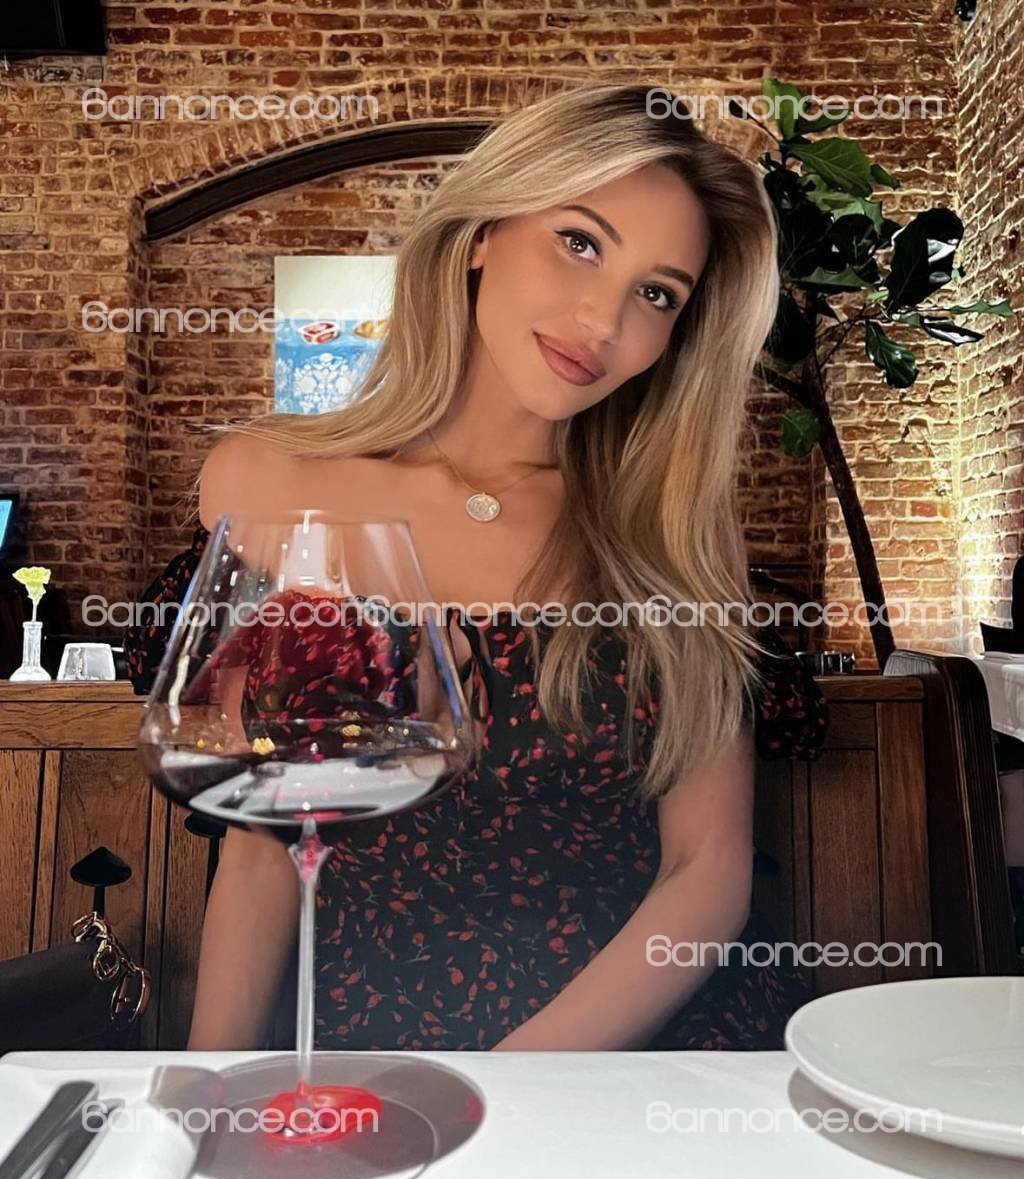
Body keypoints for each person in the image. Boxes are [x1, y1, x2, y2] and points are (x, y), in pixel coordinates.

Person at [125, 82, 829, 1052]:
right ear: (483, 232)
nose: (602, 320)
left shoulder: (673, 529)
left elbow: (705, 872)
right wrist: (207, 1093)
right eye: (579, 242)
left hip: (632, 1058)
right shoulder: (277, 486)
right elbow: (266, 847)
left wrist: (512, 1089)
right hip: (368, 1045)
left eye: (656, 293)